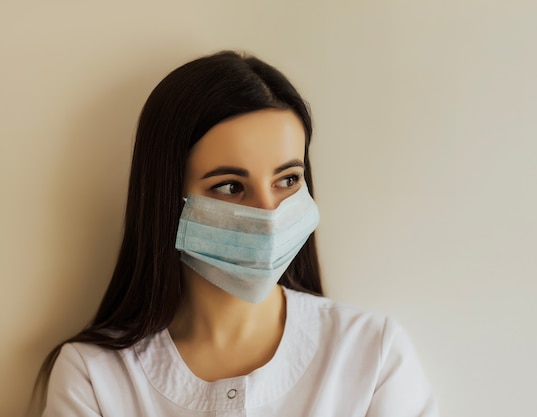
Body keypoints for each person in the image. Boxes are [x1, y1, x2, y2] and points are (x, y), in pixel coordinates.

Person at [34, 50, 438, 416]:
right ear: (167, 197)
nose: (269, 212)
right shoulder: (93, 375)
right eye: (230, 186)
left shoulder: (374, 352)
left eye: (288, 179)